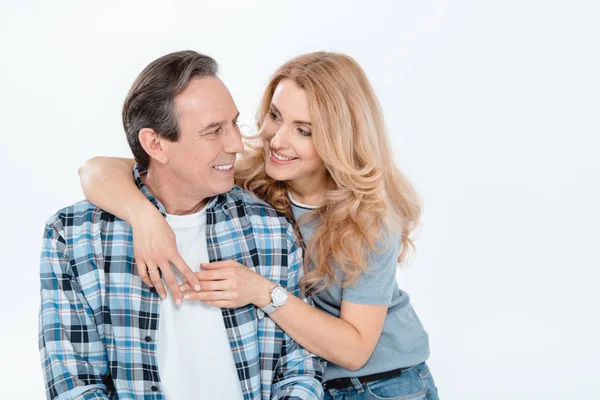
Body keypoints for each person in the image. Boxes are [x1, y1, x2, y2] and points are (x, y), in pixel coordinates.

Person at [79, 51, 438, 400]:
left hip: (383, 383)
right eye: (275, 116)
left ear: (338, 139)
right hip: (311, 382)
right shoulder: (248, 176)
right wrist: (145, 218)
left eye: (304, 131)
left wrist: (263, 292)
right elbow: (100, 171)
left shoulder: (369, 217)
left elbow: (355, 350)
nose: (278, 140)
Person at [38, 50, 325, 400]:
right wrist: (144, 216)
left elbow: (301, 369)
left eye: (233, 123)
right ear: (155, 144)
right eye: (213, 131)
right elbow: (74, 384)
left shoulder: (270, 228)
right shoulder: (75, 236)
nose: (237, 144)